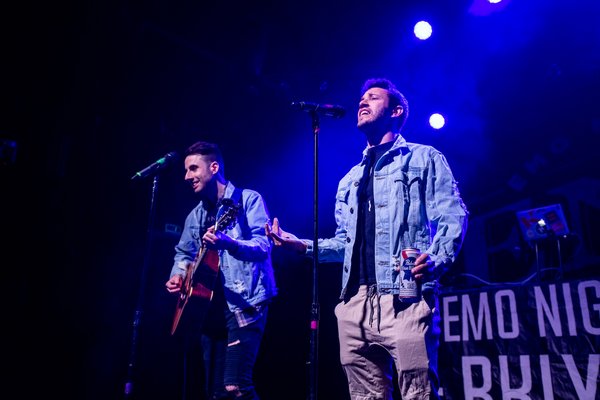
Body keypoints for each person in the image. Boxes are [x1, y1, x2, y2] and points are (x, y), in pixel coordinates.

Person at [265, 78, 468, 400]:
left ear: (396, 111)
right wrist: (301, 245)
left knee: (419, 393)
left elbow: (452, 215)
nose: (362, 102)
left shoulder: (424, 158)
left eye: (373, 98)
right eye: (361, 98)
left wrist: (437, 259)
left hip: (405, 297)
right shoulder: (350, 180)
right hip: (354, 303)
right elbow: (346, 243)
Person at [166, 140, 277, 400]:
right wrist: (178, 275)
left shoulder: (247, 199)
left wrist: (230, 243)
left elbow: (263, 246)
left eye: (193, 169)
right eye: (186, 170)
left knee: (235, 386)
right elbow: (184, 253)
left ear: (214, 167)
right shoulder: (195, 215)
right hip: (207, 309)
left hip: (245, 303)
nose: (187, 176)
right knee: (215, 393)